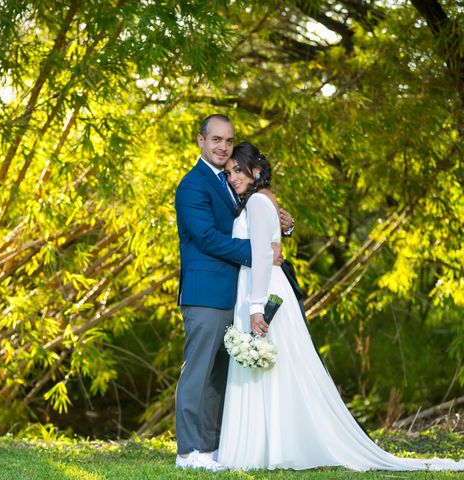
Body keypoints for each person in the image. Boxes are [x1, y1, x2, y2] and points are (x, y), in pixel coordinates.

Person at [217, 141, 464, 471]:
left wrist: (255, 306)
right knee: (278, 368)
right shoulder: (263, 200)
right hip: (265, 285)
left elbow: (262, 255)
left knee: (273, 366)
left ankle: (269, 447)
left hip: (262, 290)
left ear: (256, 171)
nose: (232, 177)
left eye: (238, 170)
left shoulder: (258, 204)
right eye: (230, 171)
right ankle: (270, 446)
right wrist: (284, 230)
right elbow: (268, 243)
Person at [174, 116, 294, 471]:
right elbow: (207, 237)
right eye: (216, 140)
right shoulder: (192, 186)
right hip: (206, 293)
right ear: (200, 141)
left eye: (228, 141)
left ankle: (210, 448)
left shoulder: (230, 181)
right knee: (198, 372)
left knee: (220, 376)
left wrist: (281, 228)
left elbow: (255, 221)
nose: (223, 147)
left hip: (236, 294)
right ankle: (187, 452)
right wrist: (256, 253)